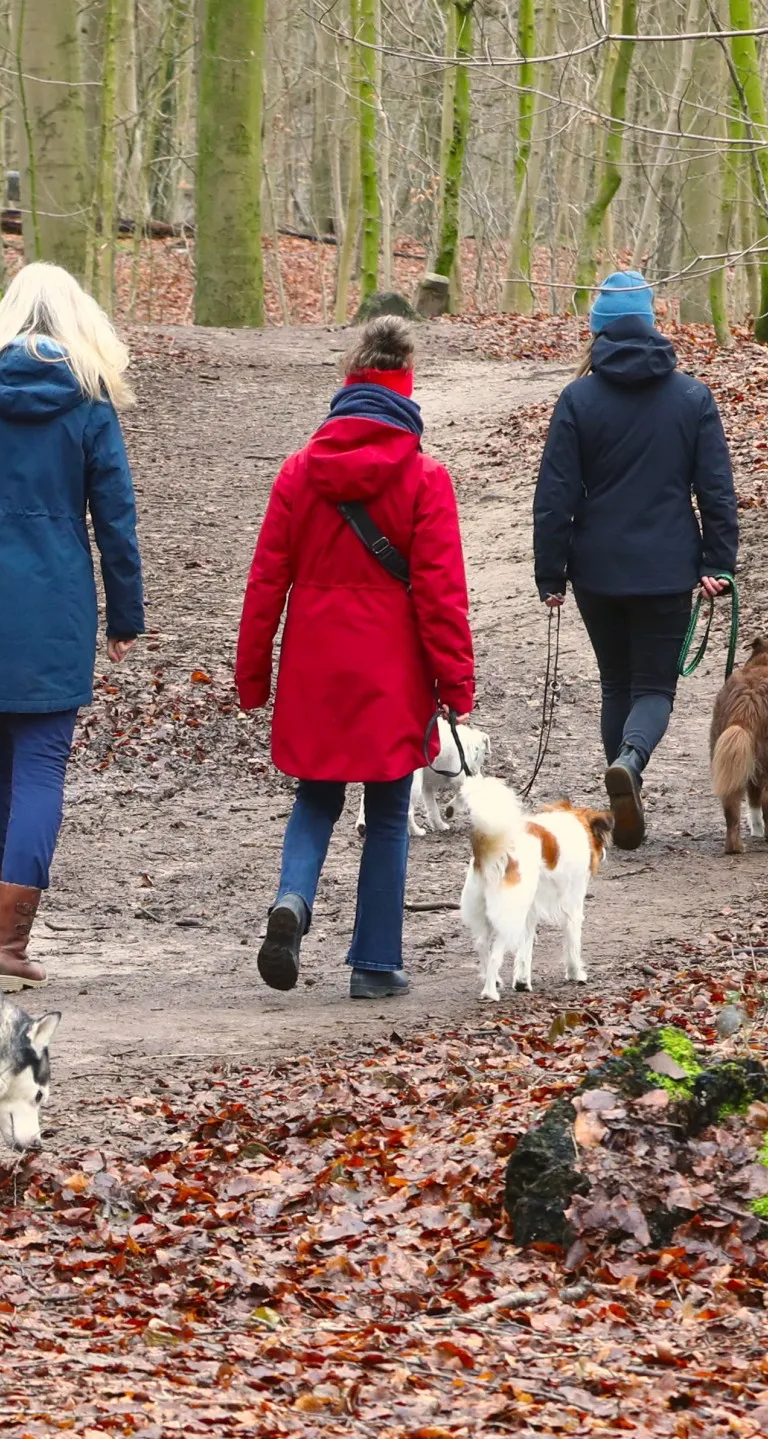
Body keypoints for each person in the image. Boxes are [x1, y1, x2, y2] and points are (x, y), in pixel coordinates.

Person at [0, 263, 144, 988]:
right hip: (57, 604)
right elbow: (115, 516)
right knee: (42, 764)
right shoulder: (89, 400)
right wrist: (125, 613)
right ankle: (12, 946)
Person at [236, 317, 473, 1000]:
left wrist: (253, 673)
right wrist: (456, 681)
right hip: (392, 668)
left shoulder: (298, 473)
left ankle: (293, 901)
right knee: (391, 811)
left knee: (316, 795)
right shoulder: (426, 479)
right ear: (407, 388)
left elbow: (265, 581)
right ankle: (374, 963)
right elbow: (440, 594)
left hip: (314, 660)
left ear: (348, 383)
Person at [533, 271, 739, 850]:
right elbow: (716, 490)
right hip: (668, 568)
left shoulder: (577, 399)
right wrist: (719, 561)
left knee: (615, 683)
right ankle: (630, 762)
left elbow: (555, 495)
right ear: (653, 327)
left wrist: (550, 571)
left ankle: (625, 793)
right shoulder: (692, 397)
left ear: (597, 332)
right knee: (654, 687)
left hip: (596, 569)